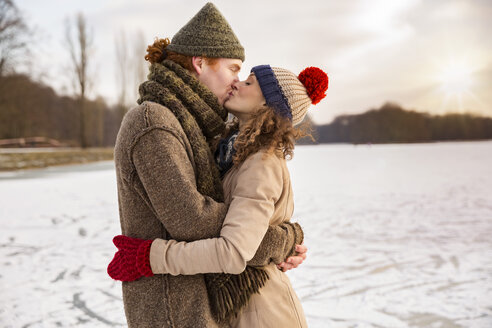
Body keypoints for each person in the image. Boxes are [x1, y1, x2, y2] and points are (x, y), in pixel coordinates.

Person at [108, 3, 306, 327]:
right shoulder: (153, 121)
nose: (236, 81)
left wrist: (278, 236)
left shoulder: (196, 126)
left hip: (196, 303)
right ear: (200, 63)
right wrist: (281, 239)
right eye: (234, 69)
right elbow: (193, 220)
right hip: (172, 309)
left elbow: (237, 217)